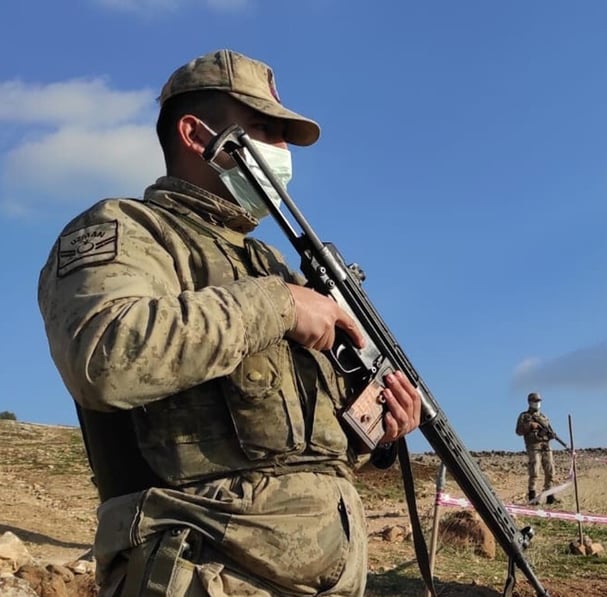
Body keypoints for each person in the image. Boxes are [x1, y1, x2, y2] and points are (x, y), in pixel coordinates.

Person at [36, 49, 422, 597]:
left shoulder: (269, 264)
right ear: (196, 135)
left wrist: (376, 432)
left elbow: (295, 448)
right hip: (200, 570)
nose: (281, 151)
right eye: (265, 129)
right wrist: (279, 307)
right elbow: (104, 357)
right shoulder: (126, 229)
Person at [514, 392, 558, 504]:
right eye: (535, 401)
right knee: (535, 471)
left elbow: (550, 431)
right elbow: (518, 431)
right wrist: (530, 426)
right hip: (533, 446)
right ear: (529, 402)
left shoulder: (544, 417)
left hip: (546, 446)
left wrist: (551, 435)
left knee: (550, 471)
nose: (537, 403)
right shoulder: (524, 416)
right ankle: (532, 496)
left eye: (538, 401)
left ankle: (550, 496)